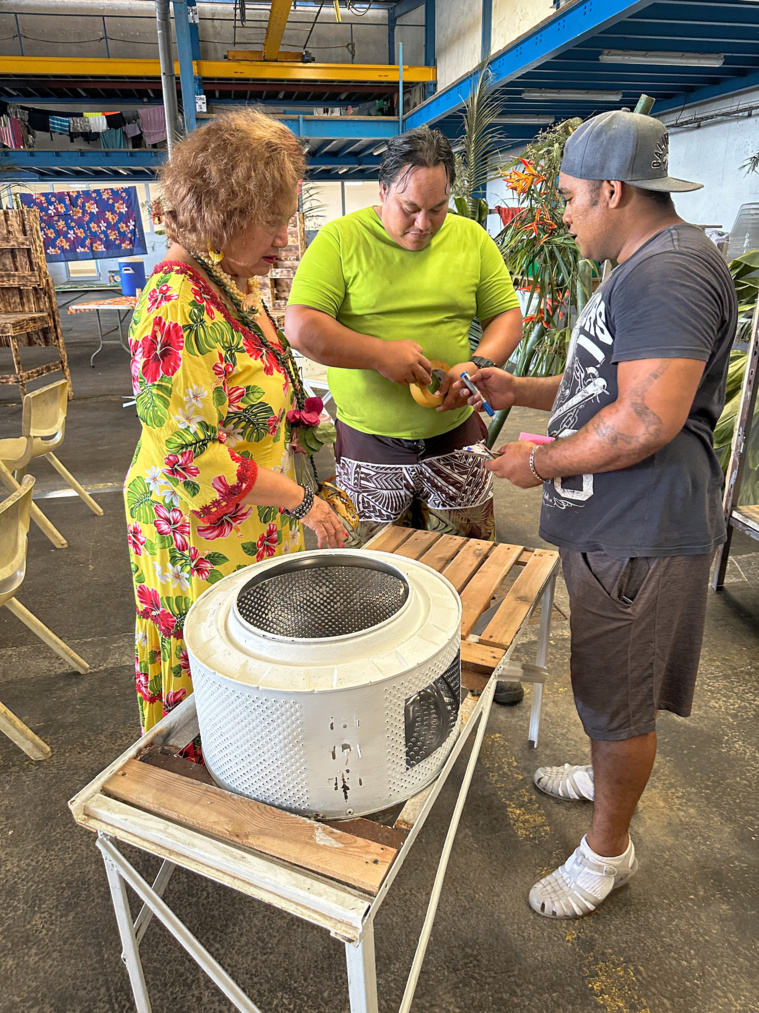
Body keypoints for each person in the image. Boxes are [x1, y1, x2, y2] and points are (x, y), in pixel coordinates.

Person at [456, 110, 737, 917]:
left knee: (620, 696)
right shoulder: (640, 263)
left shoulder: (668, 273)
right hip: (614, 526)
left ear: (612, 190)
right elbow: (603, 388)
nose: (567, 213)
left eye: (574, 197)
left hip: (640, 532)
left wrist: (535, 461)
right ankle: (599, 768)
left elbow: (646, 419)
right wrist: (520, 391)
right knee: (605, 685)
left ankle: (605, 853)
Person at [125, 109, 345, 741]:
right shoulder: (175, 304)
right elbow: (194, 459)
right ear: (222, 210)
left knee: (248, 660)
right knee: (209, 670)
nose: (285, 234)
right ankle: (199, 796)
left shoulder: (232, 281)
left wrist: (296, 415)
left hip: (248, 515)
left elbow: (257, 374)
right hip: (196, 532)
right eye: (272, 218)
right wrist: (304, 500)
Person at [286, 126, 526, 704]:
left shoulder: (470, 240)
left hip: (454, 438)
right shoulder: (342, 241)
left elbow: (505, 315)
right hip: (371, 446)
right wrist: (379, 356)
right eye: (411, 208)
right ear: (382, 191)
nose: (424, 225)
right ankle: (389, 680)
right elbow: (303, 326)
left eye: (438, 210)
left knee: (470, 561)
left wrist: (479, 362)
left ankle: (474, 664)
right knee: (379, 571)